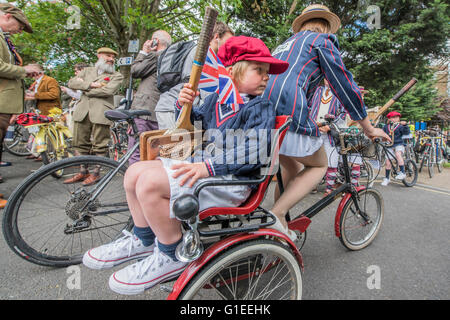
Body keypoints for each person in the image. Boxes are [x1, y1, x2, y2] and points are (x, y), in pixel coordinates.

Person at [82, 35, 289, 295]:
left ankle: (171, 253)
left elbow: (256, 151)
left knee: (149, 183)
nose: (266, 76)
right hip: (205, 169)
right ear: (232, 71)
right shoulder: (216, 100)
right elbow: (195, 124)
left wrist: (207, 168)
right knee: (134, 173)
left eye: (266, 72)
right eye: (259, 70)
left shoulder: (261, 106)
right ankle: (144, 239)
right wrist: (185, 104)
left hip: (231, 179)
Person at [262, 4, 390, 237]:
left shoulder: (284, 45)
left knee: (291, 165)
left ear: (304, 24)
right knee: (319, 165)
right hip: (288, 109)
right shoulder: (322, 41)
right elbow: (344, 85)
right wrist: (369, 128)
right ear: (325, 27)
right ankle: (277, 214)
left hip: (264, 113)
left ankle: (276, 219)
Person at [154, 21, 234, 130]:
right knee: (176, 145)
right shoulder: (205, 54)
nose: (231, 46)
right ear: (216, 37)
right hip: (174, 109)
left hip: (172, 107)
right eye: (229, 41)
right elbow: (209, 94)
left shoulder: (200, 51)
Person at [63, 47, 124, 186]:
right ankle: (83, 171)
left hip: (101, 112)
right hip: (83, 111)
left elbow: (108, 90)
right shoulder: (87, 71)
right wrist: (91, 84)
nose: (111, 59)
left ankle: (96, 173)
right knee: (80, 143)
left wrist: (85, 89)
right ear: (99, 56)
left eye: (113, 57)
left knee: (100, 144)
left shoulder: (116, 75)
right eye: (108, 56)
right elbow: (72, 83)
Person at [0, 3, 40, 201]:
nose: (20, 30)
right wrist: (23, 70)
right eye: (20, 25)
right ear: (8, 16)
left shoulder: (4, 39)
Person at [127, 30, 171, 164]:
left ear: (155, 41)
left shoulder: (155, 56)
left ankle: (134, 183)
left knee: (136, 152)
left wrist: (143, 51)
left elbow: (135, 71)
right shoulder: (170, 58)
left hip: (144, 110)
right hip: (159, 111)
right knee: (153, 154)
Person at [381, 111, 410, 186]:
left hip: (398, 143)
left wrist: (405, 125)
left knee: (398, 154)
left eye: (396, 117)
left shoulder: (400, 126)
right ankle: (387, 178)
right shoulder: (386, 126)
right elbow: (383, 134)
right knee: (388, 162)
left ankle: (402, 172)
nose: (395, 119)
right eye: (393, 117)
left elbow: (406, 132)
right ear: (389, 118)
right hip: (389, 144)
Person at [61, 63, 89, 133]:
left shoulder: (87, 81)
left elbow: (80, 96)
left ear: (82, 70)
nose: (75, 73)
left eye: (76, 71)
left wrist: (68, 90)